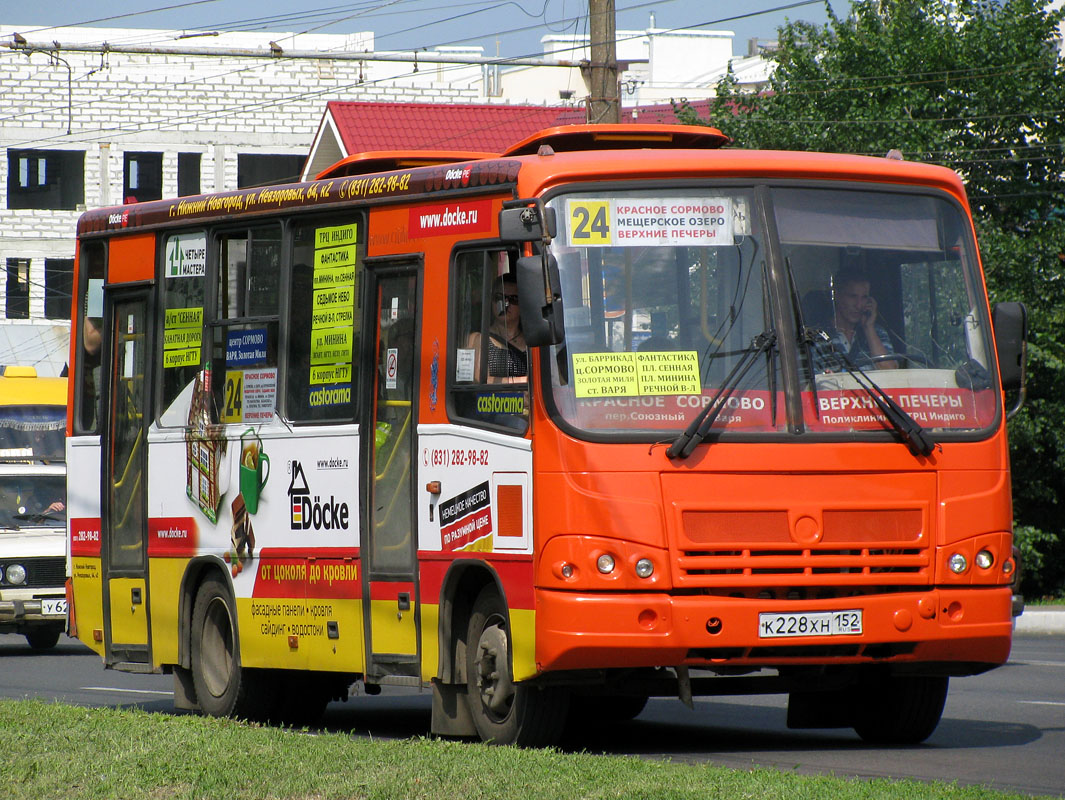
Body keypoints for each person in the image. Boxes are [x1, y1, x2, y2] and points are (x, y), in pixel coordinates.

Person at [826, 267, 897, 370]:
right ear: (837, 296)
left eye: (864, 297)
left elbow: (890, 373)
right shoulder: (818, 338)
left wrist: (869, 329)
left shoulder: (878, 333)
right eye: (852, 296)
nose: (859, 305)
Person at [467, 274, 527, 383]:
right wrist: (523, 382)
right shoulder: (478, 339)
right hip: (492, 400)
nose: (505, 304)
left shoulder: (533, 341)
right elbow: (478, 380)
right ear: (491, 301)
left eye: (513, 299)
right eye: (499, 298)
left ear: (522, 305)